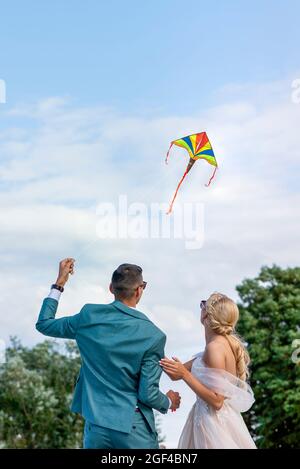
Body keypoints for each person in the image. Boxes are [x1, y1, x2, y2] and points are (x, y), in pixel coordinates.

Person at [36, 258, 181, 449]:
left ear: (111, 288)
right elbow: (147, 394)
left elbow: (44, 324)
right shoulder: (154, 336)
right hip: (133, 429)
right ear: (139, 290)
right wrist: (170, 400)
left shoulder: (88, 317)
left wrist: (60, 283)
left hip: (96, 430)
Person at [160, 292, 256, 449]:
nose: (201, 307)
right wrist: (151, 349)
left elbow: (217, 401)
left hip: (214, 425)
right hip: (208, 419)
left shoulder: (215, 348)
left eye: (203, 304)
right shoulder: (212, 348)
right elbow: (175, 373)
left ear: (207, 314)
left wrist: (185, 375)